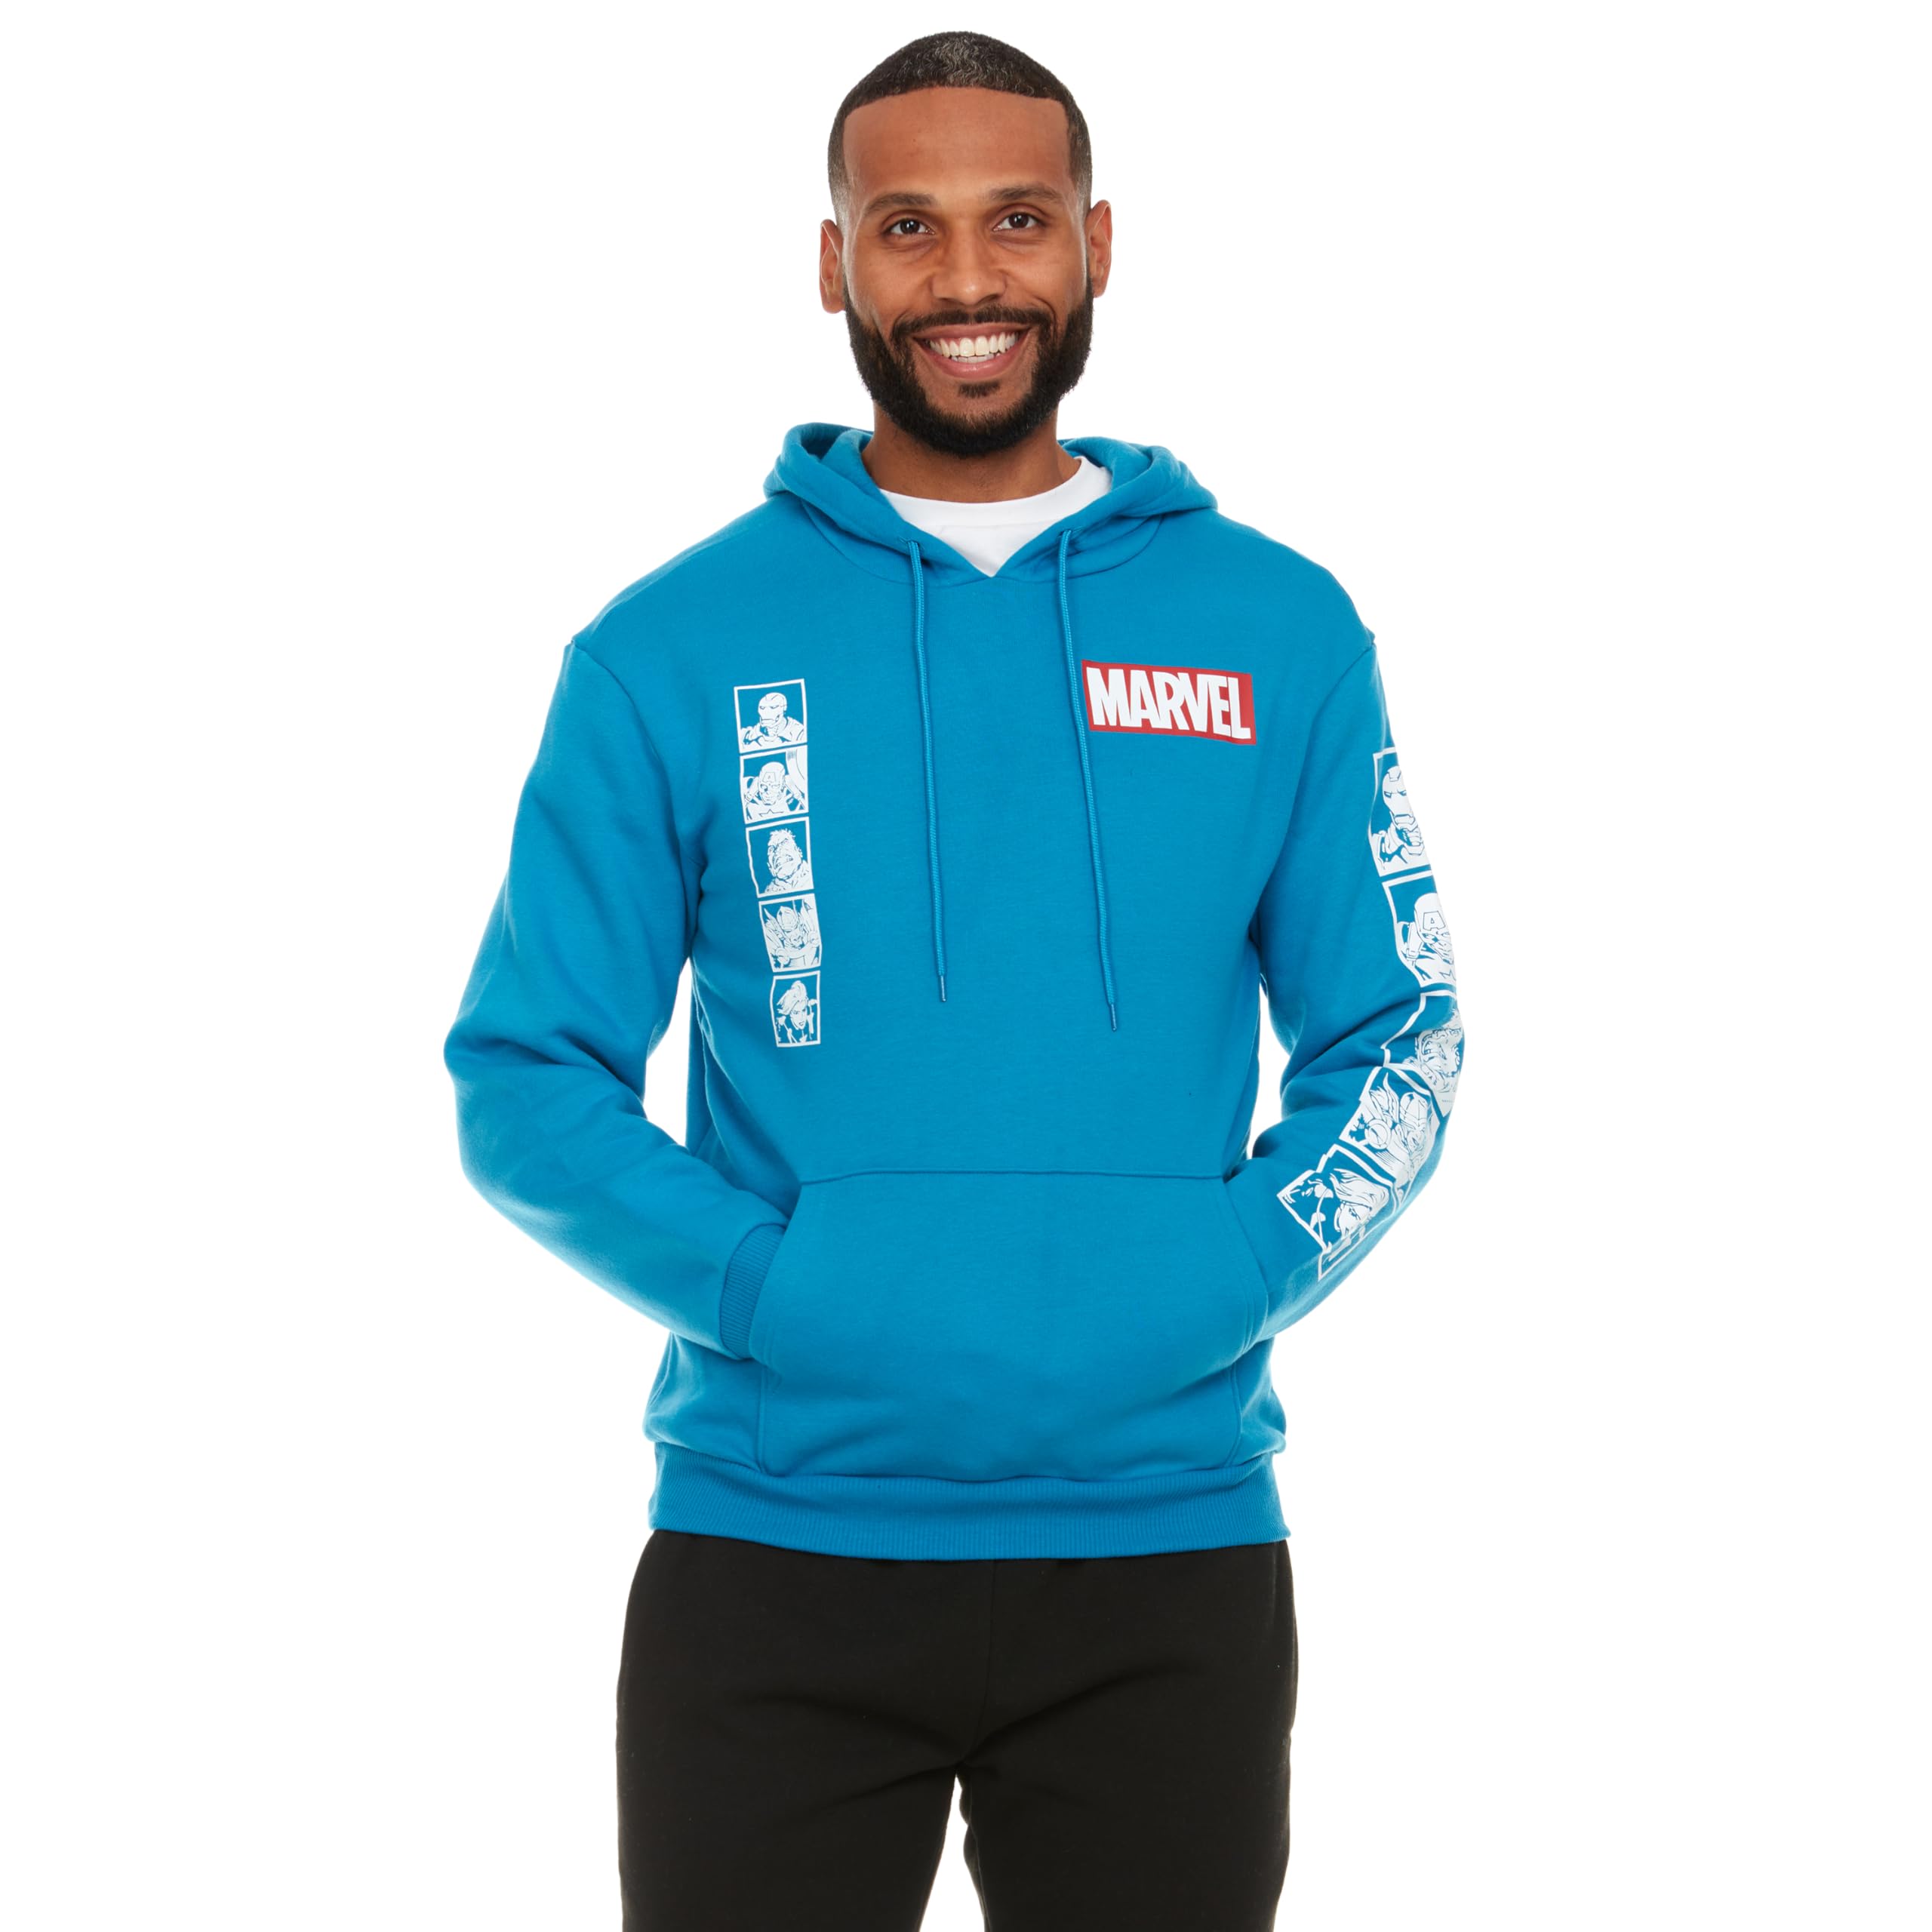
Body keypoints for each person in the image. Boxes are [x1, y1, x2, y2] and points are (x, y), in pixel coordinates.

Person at [443, 29, 1464, 1931]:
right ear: (833, 261)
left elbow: (1395, 1028)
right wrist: (771, 1286)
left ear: (1096, 242)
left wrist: (1232, 1267)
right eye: (906, 226)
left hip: (1165, 1553)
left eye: (1016, 220)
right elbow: (527, 1076)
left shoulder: (1277, 627)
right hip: (772, 1550)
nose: (966, 278)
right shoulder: (668, 646)